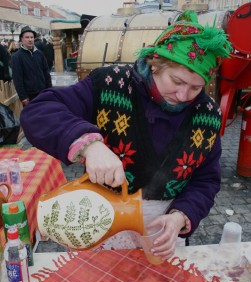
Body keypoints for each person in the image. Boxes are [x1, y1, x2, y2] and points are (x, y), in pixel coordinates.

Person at [20, 11, 232, 259]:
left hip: (161, 229)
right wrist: (89, 145)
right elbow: (38, 112)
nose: (184, 96)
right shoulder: (110, 84)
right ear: (156, 63)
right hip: (101, 219)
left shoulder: (207, 115)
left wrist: (181, 216)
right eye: (176, 81)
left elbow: (206, 180)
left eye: (196, 87)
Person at [11, 26, 52, 107]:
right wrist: (23, 97)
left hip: (43, 93)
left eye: (31, 37)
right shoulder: (16, 57)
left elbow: (46, 73)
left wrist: (49, 90)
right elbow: (17, 79)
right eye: (27, 37)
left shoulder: (40, 54)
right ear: (22, 39)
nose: (30, 39)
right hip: (29, 97)